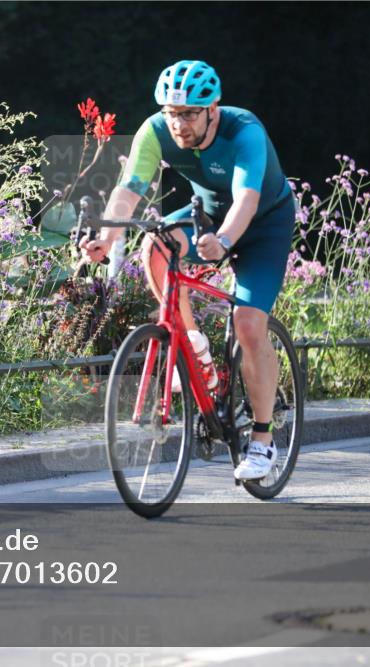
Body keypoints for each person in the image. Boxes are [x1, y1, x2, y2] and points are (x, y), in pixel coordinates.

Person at [80, 60, 296, 481]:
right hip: (208, 216)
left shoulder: (244, 130)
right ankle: (194, 344)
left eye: (189, 114)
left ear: (213, 108)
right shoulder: (156, 131)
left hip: (262, 223)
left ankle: (263, 441)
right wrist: (107, 237)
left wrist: (227, 241)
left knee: (249, 324)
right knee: (155, 246)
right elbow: (130, 189)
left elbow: (246, 200)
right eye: (172, 114)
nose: (178, 124)